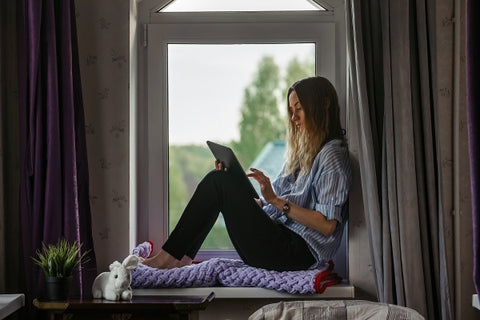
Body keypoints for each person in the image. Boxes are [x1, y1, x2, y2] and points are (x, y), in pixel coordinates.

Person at [141, 76, 352, 272]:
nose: (294, 117)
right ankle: (181, 257)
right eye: (291, 110)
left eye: (300, 108)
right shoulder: (303, 154)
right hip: (279, 236)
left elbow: (327, 226)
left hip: (294, 252)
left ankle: (168, 259)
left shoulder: (332, 155)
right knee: (222, 180)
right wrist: (253, 196)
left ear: (323, 105)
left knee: (218, 183)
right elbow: (273, 203)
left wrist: (276, 201)